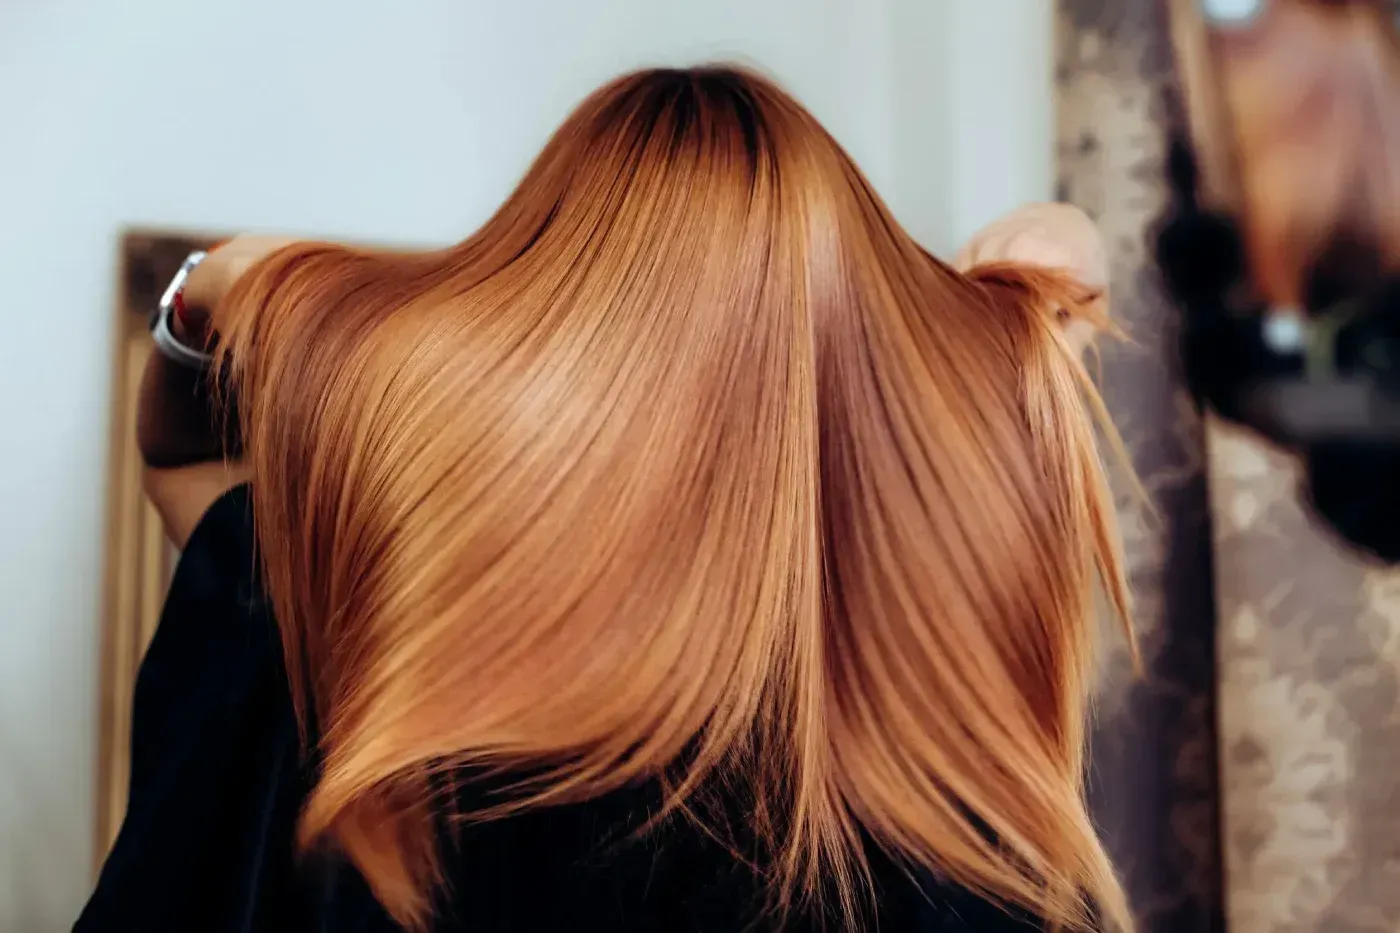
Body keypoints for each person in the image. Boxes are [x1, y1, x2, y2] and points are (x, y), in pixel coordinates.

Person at [76, 66, 1133, 933]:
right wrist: (1028, 301)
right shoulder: (951, 757)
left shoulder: (331, 622)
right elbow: (1042, 314)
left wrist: (217, 284)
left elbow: (183, 460)